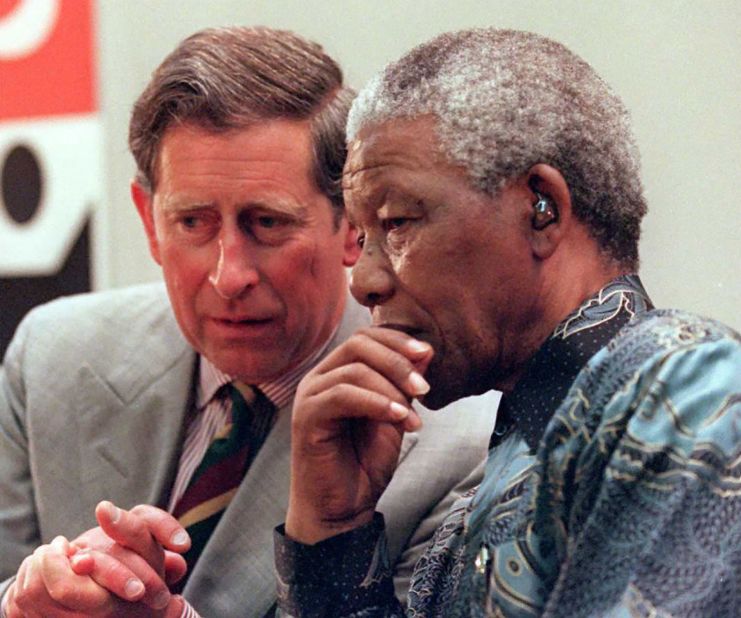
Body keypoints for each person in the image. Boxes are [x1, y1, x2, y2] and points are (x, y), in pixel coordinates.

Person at [0, 26, 496, 617]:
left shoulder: (458, 443)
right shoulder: (52, 355)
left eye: (266, 223)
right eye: (192, 223)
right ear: (149, 221)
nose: (228, 275)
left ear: (352, 226)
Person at [275, 28, 741, 617]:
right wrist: (332, 529)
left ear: (541, 208)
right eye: (362, 237)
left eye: (396, 223)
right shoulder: (493, 482)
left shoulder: (687, 389)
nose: (362, 280)